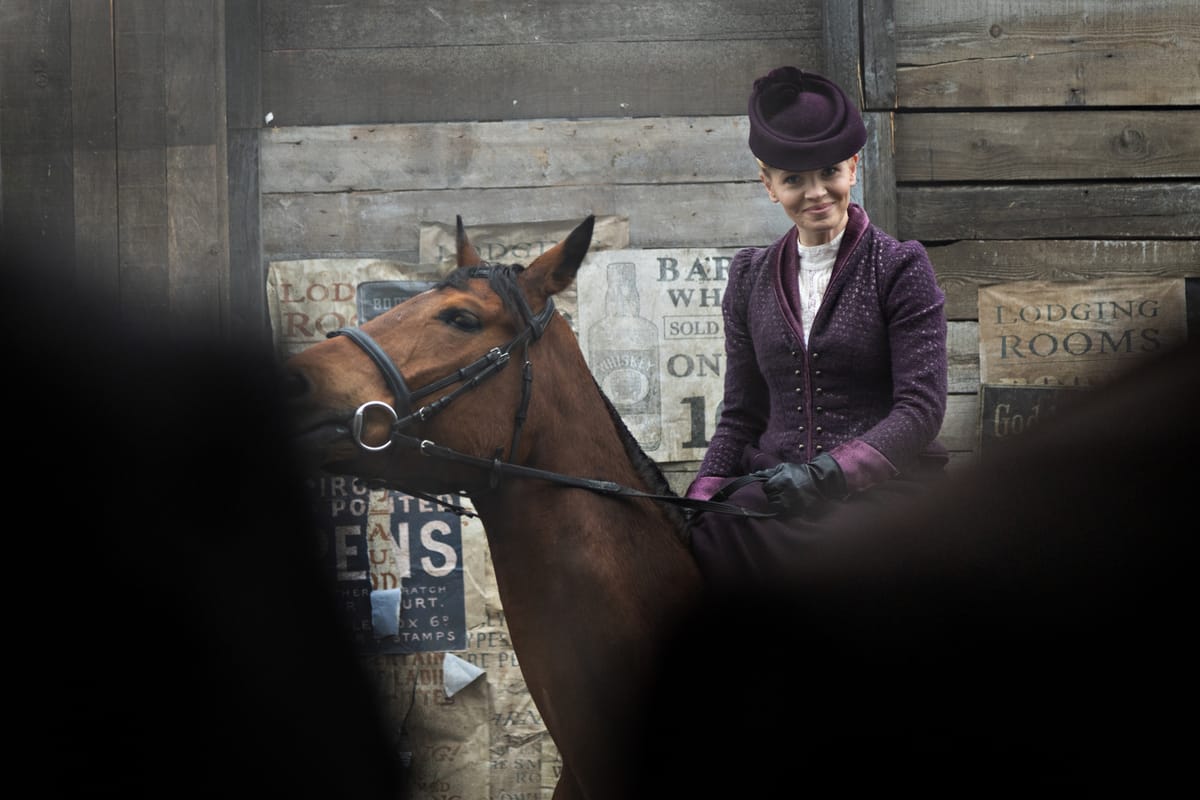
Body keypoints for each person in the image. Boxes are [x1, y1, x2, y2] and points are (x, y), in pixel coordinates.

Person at [684, 66, 949, 588]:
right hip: (774, 491)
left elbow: (920, 409)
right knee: (709, 535)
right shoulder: (749, 277)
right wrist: (699, 496)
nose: (816, 193)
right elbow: (741, 413)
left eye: (829, 172)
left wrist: (826, 476)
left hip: (883, 492)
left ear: (853, 166)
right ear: (768, 184)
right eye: (793, 180)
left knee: (842, 560)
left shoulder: (898, 267)